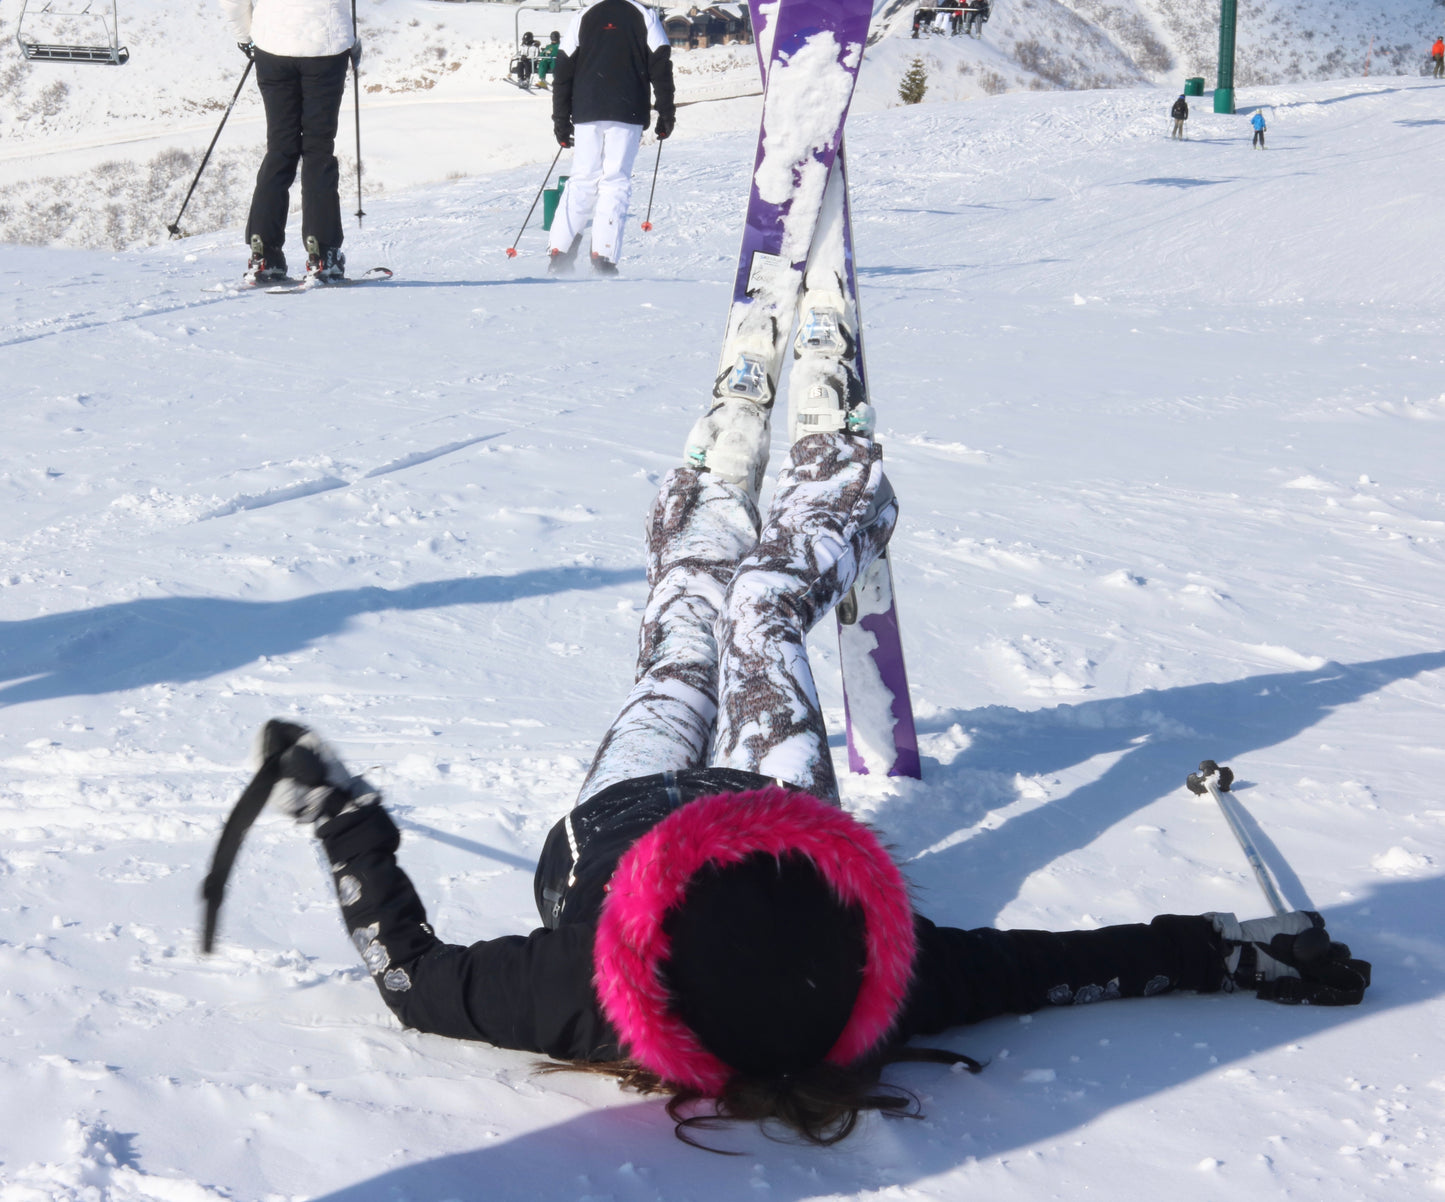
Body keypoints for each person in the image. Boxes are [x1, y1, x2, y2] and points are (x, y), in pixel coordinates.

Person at [243, 394, 1372, 1149]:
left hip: (629, 800)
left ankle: (703, 516)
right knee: (761, 624)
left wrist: (345, 819)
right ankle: (836, 501)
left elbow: (410, 980)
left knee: (685, 647)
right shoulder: (876, 971)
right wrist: (1230, 949)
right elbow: (1071, 964)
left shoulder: (585, 993)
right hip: (776, 802)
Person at [221, 0, 359, 284]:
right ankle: (323, 254)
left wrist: (245, 38)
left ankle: (264, 253)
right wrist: (351, 39)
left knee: (280, 148)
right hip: (325, 47)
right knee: (318, 150)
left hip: (272, 46)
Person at [547, 0, 675, 276]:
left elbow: (563, 70)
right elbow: (661, 67)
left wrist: (560, 119)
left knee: (582, 177)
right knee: (614, 180)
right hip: (627, 110)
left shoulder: (583, 16)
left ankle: (560, 250)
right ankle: (603, 256)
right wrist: (666, 112)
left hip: (586, 110)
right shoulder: (645, 16)